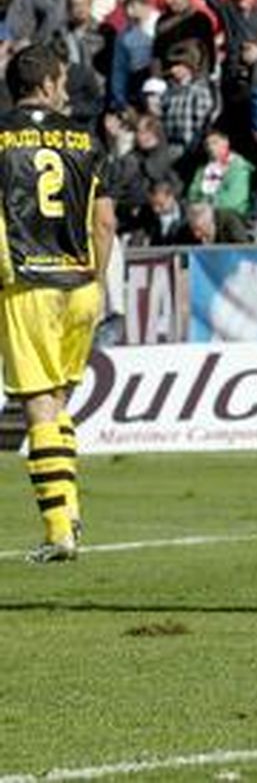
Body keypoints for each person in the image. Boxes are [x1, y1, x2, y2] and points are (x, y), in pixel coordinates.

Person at [0, 44, 116, 562]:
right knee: (60, 404)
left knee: (39, 405)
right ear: (47, 83)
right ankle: (69, 510)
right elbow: (106, 221)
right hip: (82, 286)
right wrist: (99, 274)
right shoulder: (85, 137)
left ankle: (57, 531)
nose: (65, 86)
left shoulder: (2, 137)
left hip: (28, 283)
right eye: (62, 77)